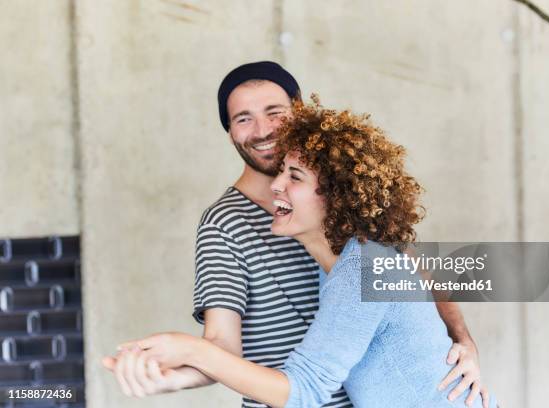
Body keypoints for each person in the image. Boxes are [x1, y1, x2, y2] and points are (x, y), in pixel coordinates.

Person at [103, 62, 489, 407]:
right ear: (230, 133)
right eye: (243, 119)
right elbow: (221, 343)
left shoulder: (353, 232)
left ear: (300, 115)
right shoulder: (224, 224)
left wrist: (462, 343)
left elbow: (417, 275)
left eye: (275, 113)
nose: (263, 130)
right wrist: (171, 376)